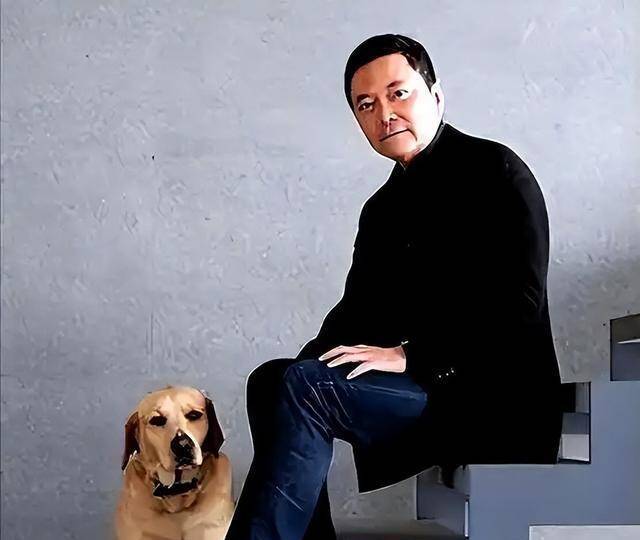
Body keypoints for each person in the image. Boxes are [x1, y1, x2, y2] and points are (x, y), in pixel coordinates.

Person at [224, 34, 563, 540]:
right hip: (426, 394)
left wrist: (412, 355)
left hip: (497, 398)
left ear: (436, 95)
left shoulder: (497, 170)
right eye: (366, 105)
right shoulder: (382, 209)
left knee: (302, 387)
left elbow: (520, 305)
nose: (385, 114)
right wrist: (305, 366)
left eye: (398, 93)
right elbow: (357, 314)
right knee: (274, 381)